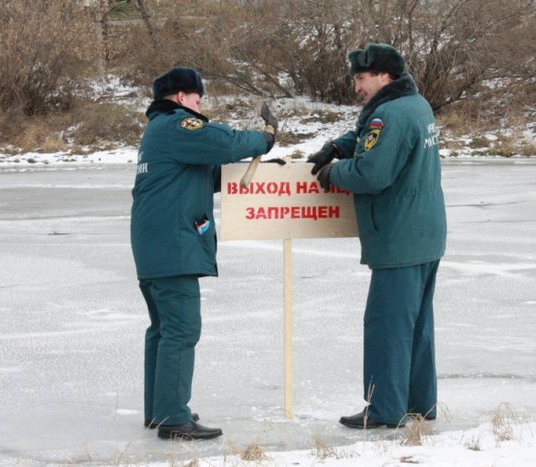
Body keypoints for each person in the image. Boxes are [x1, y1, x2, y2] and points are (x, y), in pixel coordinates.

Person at [130, 67, 277, 440]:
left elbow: (204, 174)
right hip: (172, 246)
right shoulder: (178, 125)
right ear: (181, 97)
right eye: (197, 97)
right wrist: (263, 139)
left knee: (163, 331)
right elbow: (225, 142)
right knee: (181, 330)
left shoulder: (157, 132)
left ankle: (160, 411)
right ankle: (174, 419)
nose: (200, 104)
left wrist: (257, 169)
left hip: (155, 246)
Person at [309, 44, 447, 429]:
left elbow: (372, 174)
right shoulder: (415, 104)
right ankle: (420, 403)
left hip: (399, 235)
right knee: (416, 324)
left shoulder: (389, 114)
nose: (356, 88)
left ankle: (386, 409)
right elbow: (374, 141)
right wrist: (339, 145)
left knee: (388, 325)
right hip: (425, 232)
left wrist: (333, 172)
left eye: (360, 78)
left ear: (384, 75)